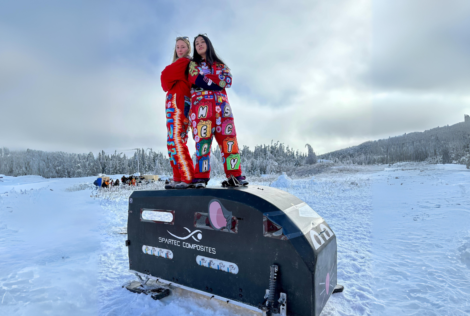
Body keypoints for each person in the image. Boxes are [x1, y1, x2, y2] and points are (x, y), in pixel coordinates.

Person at [188, 34, 248, 188]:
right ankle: (201, 177)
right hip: (201, 111)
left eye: (202, 42)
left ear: (208, 44)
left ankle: (235, 176)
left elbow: (228, 80)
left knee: (229, 141)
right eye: (196, 43)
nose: (199, 45)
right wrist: (216, 81)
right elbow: (195, 79)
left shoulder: (220, 65)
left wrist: (207, 79)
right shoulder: (192, 65)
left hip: (222, 110)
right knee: (202, 143)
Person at [161, 36, 195, 189]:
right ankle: (178, 177)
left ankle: (187, 177)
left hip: (179, 105)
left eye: (183, 47)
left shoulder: (185, 62)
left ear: (188, 48)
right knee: (171, 143)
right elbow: (166, 83)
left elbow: (164, 77)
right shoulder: (179, 64)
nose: (180, 50)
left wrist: (172, 80)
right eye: (177, 47)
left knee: (176, 140)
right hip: (173, 106)